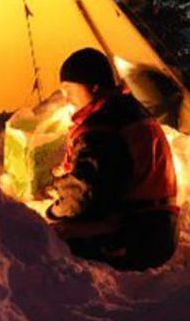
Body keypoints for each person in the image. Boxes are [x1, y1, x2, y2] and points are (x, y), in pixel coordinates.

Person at [46, 47, 179, 271]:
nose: (66, 97)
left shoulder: (102, 127)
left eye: (69, 88)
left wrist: (53, 211)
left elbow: (83, 196)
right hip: (162, 229)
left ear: (93, 86)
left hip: (137, 237)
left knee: (50, 236)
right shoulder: (128, 110)